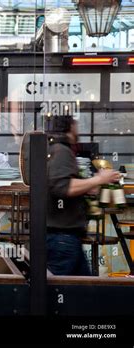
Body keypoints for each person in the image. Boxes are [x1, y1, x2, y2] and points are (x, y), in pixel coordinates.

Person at [46, 116, 120, 276]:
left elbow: (64, 184)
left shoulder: (59, 149)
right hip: (62, 238)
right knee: (56, 291)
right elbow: (63, 187)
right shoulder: (61, 151)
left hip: (66, 237)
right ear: (71, 127)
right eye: (76, 125)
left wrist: (88, 187)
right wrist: (98, 179)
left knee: (84, 291)